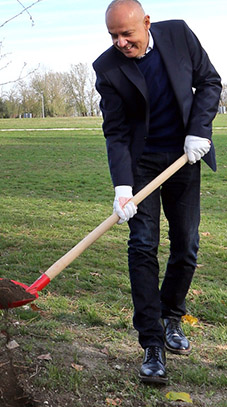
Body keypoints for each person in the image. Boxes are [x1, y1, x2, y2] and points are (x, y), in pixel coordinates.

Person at [93, 0, 222, 385]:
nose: (120, 42)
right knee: (143, 245)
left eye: (126, 34)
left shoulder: (179, 34)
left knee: (186, 244)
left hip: (185, 154)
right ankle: (151, 343)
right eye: (113, 36)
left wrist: (200, 129)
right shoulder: (107, 68)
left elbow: (210, 81)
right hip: (142, 162)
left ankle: (171, 318)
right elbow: (115, 131)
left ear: (146, 23)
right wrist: (122, 186)